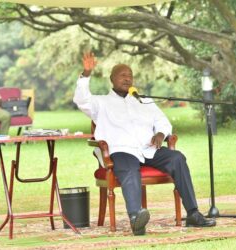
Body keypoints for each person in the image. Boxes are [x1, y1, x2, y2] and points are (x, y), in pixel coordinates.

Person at [73, 52, 216, 236]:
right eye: (123, 75)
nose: (127, 78)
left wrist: (161, 133)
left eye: (130, 75)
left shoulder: (144, 100)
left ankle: (193, 214)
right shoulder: (101, 103)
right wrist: (86, 73)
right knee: (129, 169)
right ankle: (136, 219)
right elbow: (81, 100)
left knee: (177, 158)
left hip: (148, 150)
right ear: (112, 79)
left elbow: (163, 121)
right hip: (121, 150)